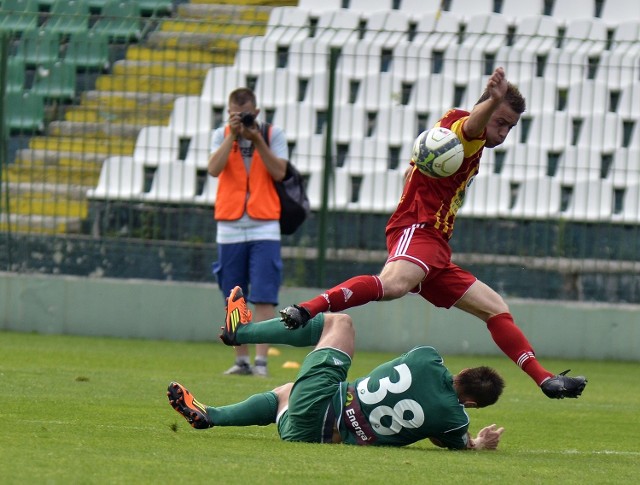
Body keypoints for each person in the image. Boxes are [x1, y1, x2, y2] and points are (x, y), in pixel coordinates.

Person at [279, 67, 587, 399]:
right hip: (419, 229)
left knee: (495, 308)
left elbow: (417, 167)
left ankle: (545, 379)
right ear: (486, 110)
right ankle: (307, 308)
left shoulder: (453, 131)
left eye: (511, 127)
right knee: (393, 285)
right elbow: (470, 127)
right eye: (501, 122)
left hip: (436, 243)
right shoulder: (466, 135)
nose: (504, 132)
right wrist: (493, 100)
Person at [168, 287, 506, 450]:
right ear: (472, 404)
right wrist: (479, 440)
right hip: (308, 434)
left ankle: (239, 332)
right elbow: (452, 440)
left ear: (463, 372)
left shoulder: (427, 358)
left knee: (339, 322)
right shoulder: (453, 420)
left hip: (323, 404)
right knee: (285, 393)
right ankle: (210, 415)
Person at [208, 87, 289, 376]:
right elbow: (214, 169)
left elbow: (280, 172)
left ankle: (261, 363)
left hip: (264, 225)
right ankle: (241, 361)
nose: (239, 118)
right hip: (229, 227)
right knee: (234, 297)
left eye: (244, 114)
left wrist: (256, 140)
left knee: (265, 296)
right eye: (233, 113)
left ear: (256, 112)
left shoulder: (271, 134)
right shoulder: (221, 135)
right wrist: (232, 134)